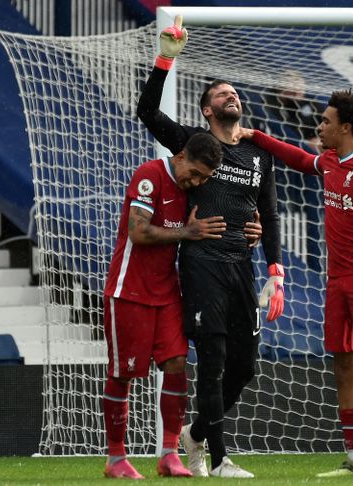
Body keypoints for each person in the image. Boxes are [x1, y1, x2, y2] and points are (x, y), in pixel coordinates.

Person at [240, 89, 353, 477]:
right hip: (337, 281)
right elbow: (299, 159)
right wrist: (255, 136)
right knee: (344, 364)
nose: (319, 126)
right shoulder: (329, 161)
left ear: (345, 126)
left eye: (325, 121)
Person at [136, 17, 284, 478]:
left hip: (243, 267)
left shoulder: (258, 155)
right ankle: (218, 460)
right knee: (215, 361)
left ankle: (196, 433)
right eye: (220, 94)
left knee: (246, 366)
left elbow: (270, 213)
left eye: (233, 93)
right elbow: (147, 112)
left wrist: (276, 269)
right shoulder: (190, 143)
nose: (231, 96)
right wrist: (164, 61)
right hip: (202, 264)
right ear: (205, 110)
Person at [102, 133, 225, 479]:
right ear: (182, 155)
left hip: (168, 293)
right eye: (196, 173)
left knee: (176, 366)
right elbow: (138, 232)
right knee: (123, 374)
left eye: (203, 178)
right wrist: (187, 233)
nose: (196, 182)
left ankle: (169, 454)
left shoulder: (191, 189)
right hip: (129, 291)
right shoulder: (149, 175)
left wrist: (253, 226)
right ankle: (115, 459)